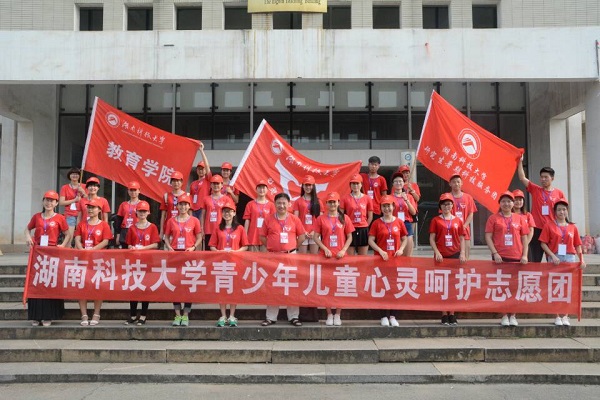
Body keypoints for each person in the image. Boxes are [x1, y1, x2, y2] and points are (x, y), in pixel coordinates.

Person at [259, 192, 307, 327]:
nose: (281, 205)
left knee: (292, 285)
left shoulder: (294, 219)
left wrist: (292, 248)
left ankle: (293, 316)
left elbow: (302, 237)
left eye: (284, 203)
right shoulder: (268, 219)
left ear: (289, 204)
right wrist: (273, 247)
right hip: (273, 256)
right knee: (273, 285)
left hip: (290, 256)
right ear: (275, 204)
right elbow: (262, 237)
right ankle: (270, 317)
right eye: (279, 203)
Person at [24, 190, 70, 326]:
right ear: (43, 201)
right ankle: (36, 315)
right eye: (47, 200)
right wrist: (28, 237)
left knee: (50, 282)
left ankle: (48, 315)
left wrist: (62, 245)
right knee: (37, 282)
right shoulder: (37, 217)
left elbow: (68, 234)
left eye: (52, 201)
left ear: (56, 203)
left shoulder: (60, 218)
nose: (49, 203)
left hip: (52, 254)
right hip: (38, 253)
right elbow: (27, 229)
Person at [484, 191, 529, 327]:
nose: (506, 204)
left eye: (509, 201)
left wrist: (525, 255)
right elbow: (488, 237)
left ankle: (513, 315)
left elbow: (524, 238)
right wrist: (495, 253)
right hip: (500, 257)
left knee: (514, 287)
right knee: (501, 286)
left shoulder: (520, 218)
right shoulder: (493, 218)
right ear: (499, 203)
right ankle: (504, 314)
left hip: (516, 256)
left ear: (513, 203)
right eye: (503, 201)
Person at [539, 198, 586, 326]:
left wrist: (581, 259)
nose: (561, 212)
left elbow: (578, 245)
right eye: (559, 210)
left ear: (567, 211)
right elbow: (543, 243)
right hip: (555, 258)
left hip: (570, 258)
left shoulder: (572, 227)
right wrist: (552, 256)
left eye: (564, 209)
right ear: (555, 212)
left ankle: (565, 315)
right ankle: (557, 315)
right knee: (555, 287)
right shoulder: (549, 225)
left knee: (568, 287)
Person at [313, 192, 354, 326]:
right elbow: (315, 237)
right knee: (327, 286)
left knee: (340, 286)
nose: (332, 204)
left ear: (338, 203)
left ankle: (338, 314)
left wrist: (343, 250)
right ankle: (329, 314)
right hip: (326, 257)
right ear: (326, 204)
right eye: (330, 202)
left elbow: (350, 237)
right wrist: (324, 248)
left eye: (334, 202)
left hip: (340, 257)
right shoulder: (321, 219)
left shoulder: (344, 218)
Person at [368, 195, 408, 327]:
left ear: (393, 207)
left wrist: (401, 249)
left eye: (389, 206)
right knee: (382, 288)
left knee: (394, 289)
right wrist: (380, 251)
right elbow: (370, 241)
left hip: (395, 261)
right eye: (384, 206)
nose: (387, 208)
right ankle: (383, 316)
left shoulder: (399, 222)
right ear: (381, 208)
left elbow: (405, 238)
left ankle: (393, 316)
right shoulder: (376, 223)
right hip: (381, 261)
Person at [209, 197, 249, 327]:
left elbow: (245, 246)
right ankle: (223, 315)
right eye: (225, 211)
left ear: (234, 213)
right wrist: (219, 252)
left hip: (235, 263)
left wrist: (236, 252)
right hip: (221, 263)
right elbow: (212, 245)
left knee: (234, 289)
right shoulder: (217, 228)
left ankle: (232, 315)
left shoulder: (240, 228)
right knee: (222, 289)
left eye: (229, 211)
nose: (227, 214)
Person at [164, 194, 203, 327]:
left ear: (189, 206)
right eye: (181, 204)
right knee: (174, 284)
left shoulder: (194, 220)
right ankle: (177, 314)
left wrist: (193, 247)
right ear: (177, 206)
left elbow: (199, 237)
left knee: (187, 285)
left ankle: (185, 314)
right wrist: (169, 247)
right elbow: (166, 236)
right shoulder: (171, 221)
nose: (183, 207)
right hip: (175, 255)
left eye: (185, 204)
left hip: (189, 255)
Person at [429, 193, 467, 326]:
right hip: (441, 256)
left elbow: (462, 238)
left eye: (449, 204)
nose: (447, 206)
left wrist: (462, 253)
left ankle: (452, 313)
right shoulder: (436, 220)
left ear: (452, 206)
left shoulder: (458, 220)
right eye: (444, 204)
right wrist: (437, 252)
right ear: (440, 206)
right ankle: (444, 314)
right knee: (442, 285)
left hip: (455, 254)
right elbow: (432, 239)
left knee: (454, 285)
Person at [517, 159, 565, 262]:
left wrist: (563, 227)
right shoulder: (536, 189)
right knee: (534, 259)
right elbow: (522, 178)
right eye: (541, 177)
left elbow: (563, 212)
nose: (543, 179)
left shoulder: (559, 193)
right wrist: (520, 162)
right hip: (537, 229)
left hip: (552, 229)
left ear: (552, 178)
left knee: (553, 259)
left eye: (546, 177)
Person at [74, 199, 113, 326]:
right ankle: (84, 314)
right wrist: (82, 250)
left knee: (98, 286)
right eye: (89, 207)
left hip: (98, 259)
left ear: (100, 210)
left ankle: (96, 313)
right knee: (82, 286)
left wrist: (93, 250)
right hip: (83, 258)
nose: (90, 210)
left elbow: (106, 241)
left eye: (93, 207)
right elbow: (77, 239)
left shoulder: (104, 225)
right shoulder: (82, 224)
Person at [124, 200, 160, 326]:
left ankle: (143, 315)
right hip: (134, 261)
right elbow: (128, 244)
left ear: (148, 212)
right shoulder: (132, 228)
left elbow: (155, 244)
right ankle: (133, 315)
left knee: (145, 287)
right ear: (136, 212)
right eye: (140, 211)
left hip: (147, 261)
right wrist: (132, 248)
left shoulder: (152, 227)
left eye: (144, 211)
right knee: (133, 287)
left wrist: (143, 248)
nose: (142, 213)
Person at [340, 173, 373, 255]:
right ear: (350, 185)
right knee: (350, 257)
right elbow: (341, 215)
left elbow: (370, 216)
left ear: (361, 184)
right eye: (353, 183)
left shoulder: (367, 198)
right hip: (350, 229)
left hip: (363, 229)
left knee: (362, 258)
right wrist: (346, 227)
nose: (355, 186)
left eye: (357, 183)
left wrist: (365, 226)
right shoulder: (345, 198)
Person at [446, 174, 477, 259]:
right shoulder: (446, 197)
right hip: (450, 229)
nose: (456, 184)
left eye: (458, 182)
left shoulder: (468, 197)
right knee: (451, 256)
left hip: (464, 229)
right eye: (454, 182)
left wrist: (465, 225)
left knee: (465, 256)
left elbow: (471, 213)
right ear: (450, 184)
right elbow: (444, 213)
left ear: (462, 183)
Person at [293, 175, 323, 254]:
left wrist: (314, 231)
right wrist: (303, 231)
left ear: (313, 186)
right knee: (302, 258)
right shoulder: (298, 201)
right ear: (303, 186)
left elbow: (321, 219)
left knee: (314, 257)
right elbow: (296, 219)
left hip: (315, 233)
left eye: (310, 185)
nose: (308, 187)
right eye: (306, 185)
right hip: (302, 233)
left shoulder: (318, 201)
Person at [243, 180, 276, 252]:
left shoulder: (271, 205)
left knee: (265, 258)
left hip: (266, 238)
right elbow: (247, 220)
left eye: (263, 188)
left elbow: (273, 222)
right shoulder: (250, 204)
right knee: (252, 258)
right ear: (256, 189)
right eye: (259, 188)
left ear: (267, 190)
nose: (261, 190)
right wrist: (244, 235)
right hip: (253, 237)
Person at [390, 172, 418, 257]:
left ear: (403, 183)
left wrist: (406, 200)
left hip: (406, 223)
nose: (398, 183)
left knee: (407, 253)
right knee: (396, 251)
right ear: (393, 184)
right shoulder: (390, 197)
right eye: (396, 181)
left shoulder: (409, 197)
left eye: (400, 181)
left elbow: (413, 212)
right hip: (394, 223)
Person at [58, 167, 86, 247]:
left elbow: (90, 200)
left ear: (79, 176)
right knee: (69, 236)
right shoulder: (65, 187)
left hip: (82, 214)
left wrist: (83, 192)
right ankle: (68, 251)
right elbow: (61, 202)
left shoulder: (84, 186)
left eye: (76, 174)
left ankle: (78, 252)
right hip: (70, 214)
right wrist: (74, 200)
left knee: (80, 237)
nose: (74, 176)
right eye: (72, 174)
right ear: (69, 175)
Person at [200, 174, 229, 250]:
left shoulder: (226, 199)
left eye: (218, 183)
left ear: (222, 185)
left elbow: (229, 215)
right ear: (211, 185)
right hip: (208, 230)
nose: (216, 185)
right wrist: (202, 229)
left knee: (221, 252)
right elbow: (203, 215)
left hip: (221, 229)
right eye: (214, 183)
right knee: (208, 253)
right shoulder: (206, 199)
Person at [159, 170, 189, 241]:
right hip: (169, 227)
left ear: (182, 182)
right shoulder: (166, 196)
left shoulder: (187, 195)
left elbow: (190, 215)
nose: (176, 183)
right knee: (168, 246)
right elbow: (163, 215)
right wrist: (161, 231)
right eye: (174, 181)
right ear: (171, 182)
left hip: (183, 227)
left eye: (178, 181)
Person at [115, 181, 141, 249]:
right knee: (124, 251)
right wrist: (118, 235)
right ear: (128, 191)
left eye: (135, 190)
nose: (133, 192)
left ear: (139, 191)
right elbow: (119, 220)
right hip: (125, 230)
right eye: (131, 190)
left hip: (137, 230)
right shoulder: (123, 204)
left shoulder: (142, 204)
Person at [361, 156, 388, 221]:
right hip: (364, 207)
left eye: (375, 165)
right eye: (372, 164)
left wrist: (383, 208)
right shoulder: (362, 176)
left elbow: (384, 196)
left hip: (376, 208)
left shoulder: (381, 179)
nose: (373, 166)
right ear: (368, 165)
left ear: (378, 166)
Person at [190, 142, 211, 222]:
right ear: (196, 170)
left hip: (203, 209)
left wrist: (201, 151)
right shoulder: (193, 183)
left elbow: (207, 166)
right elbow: (191, 198)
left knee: (201, 228)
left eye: (202, 169)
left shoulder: (208, 180)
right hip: (193, 210)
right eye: (199, 169)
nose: (201, 171)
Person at [512, 189, 536, 259]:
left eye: (520, 200)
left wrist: (525, 244)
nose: (518, 202)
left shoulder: (528, 215)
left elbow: (531, 231)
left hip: (525, 246)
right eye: (516, 200)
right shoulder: (508, 215)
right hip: (512, 247)